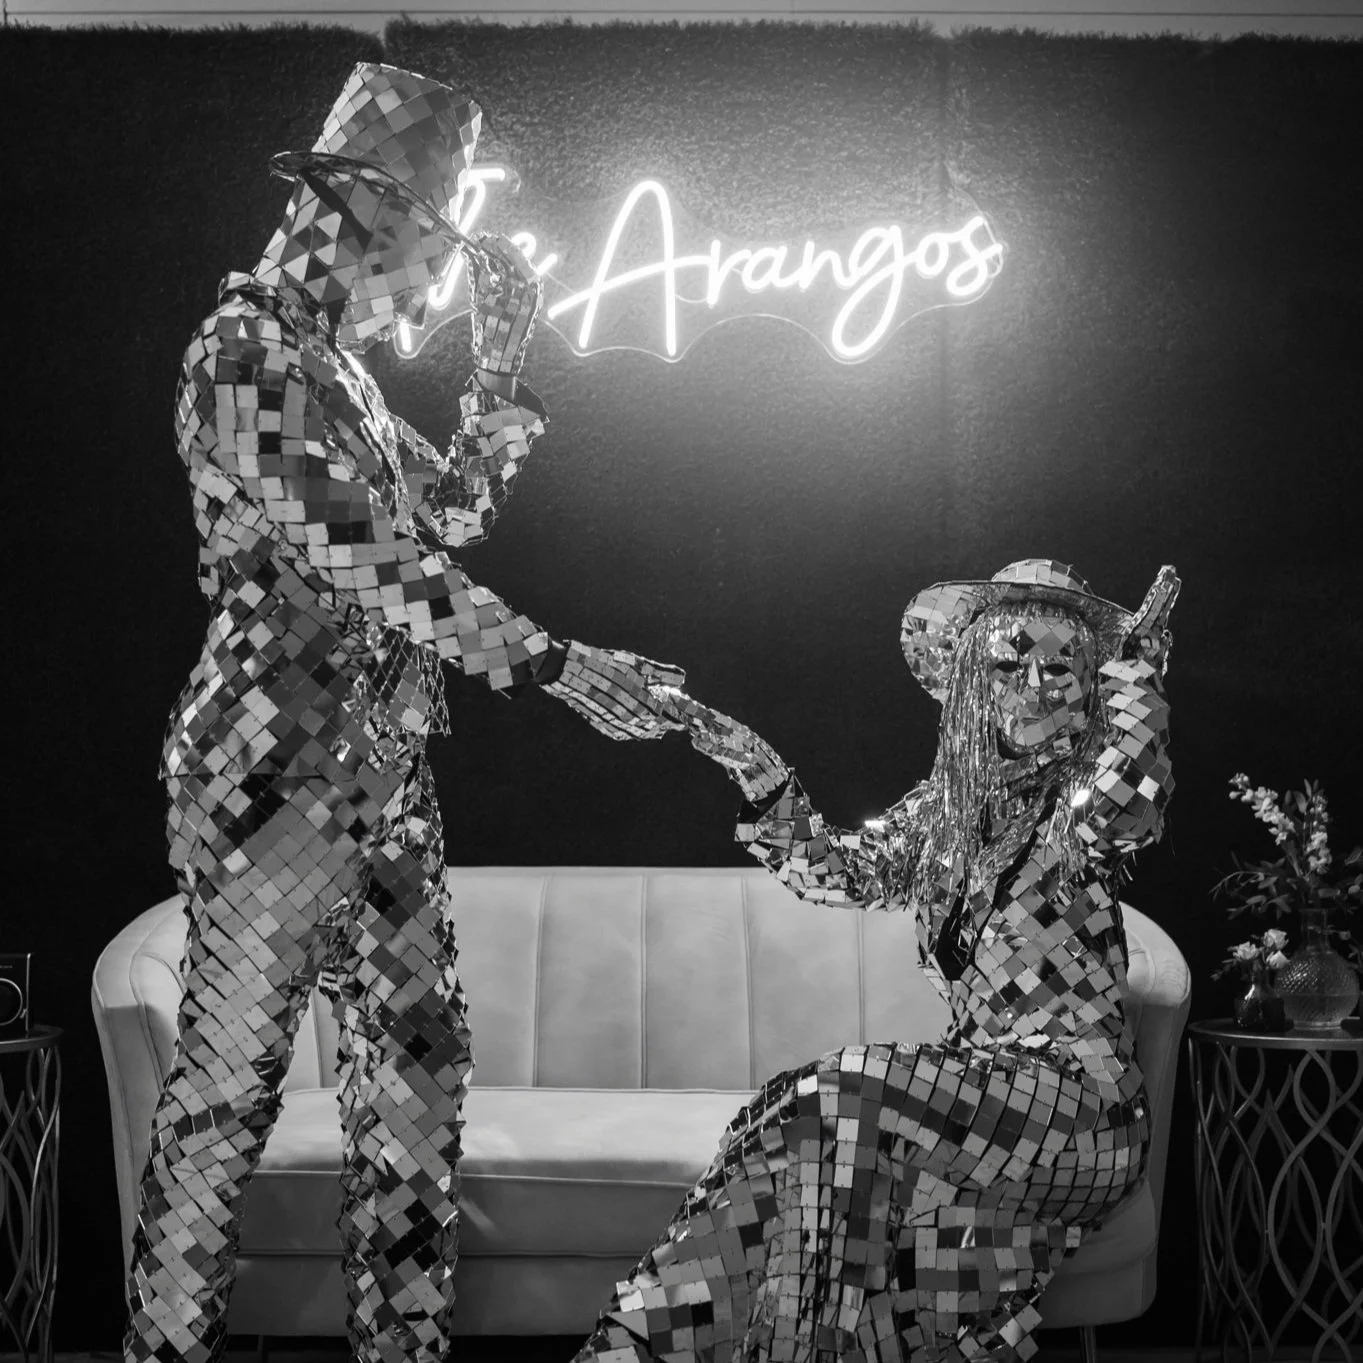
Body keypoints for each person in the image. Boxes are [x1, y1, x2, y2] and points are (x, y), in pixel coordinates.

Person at [130, 62, 682, 1363]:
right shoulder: (242, 350)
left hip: (380, 771)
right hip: (268, 769)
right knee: (226, 1097)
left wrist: (503, 374)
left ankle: (405, 1350)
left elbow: (438, 525)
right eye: (427, 261)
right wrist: (548, 660)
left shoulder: (345, 377)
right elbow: (374, 559)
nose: (429, 295)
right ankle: (162, 1346)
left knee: (418, 1094)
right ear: (349, 216)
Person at [575, 558, 1179, 1363]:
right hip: (978, 1099)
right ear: (971, 680)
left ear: (1088, 682)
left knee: (846, 1087)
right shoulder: (945, 813)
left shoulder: (1083, 800)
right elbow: (834, 872)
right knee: (784, 1119)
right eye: (1008, 660)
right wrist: (743, 757)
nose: (1033, 681)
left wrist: (1135, 678)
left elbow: (1131, 799)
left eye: (1060, 664)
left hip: (1081, 1112)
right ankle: (630, 1351)